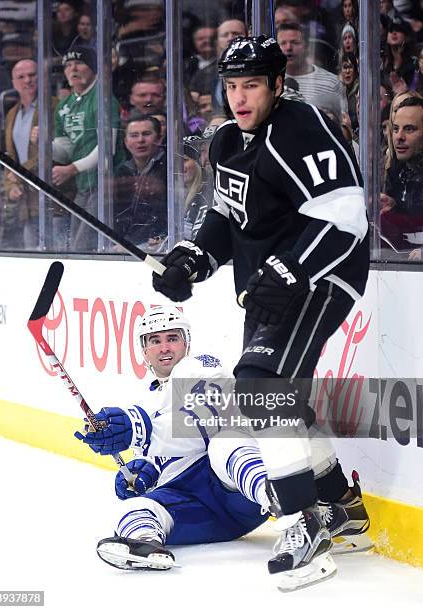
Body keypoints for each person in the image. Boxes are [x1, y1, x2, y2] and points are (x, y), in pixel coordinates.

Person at [151, 35, 371, 590]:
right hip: (269, 284)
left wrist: (290, 269)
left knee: (257, 388)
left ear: (277, 85)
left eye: (251, 85)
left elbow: (347, 217)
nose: (240, 97)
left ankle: (304, 522)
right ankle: (342, 506)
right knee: (278, 399)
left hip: (322, 275)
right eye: (231, 86)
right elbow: (228, 217)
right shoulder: (226, 140)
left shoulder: (303, 129)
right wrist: (194, 258)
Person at [74, 306, 269, 571]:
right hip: (195, 508)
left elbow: (207, 420)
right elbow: (158, 452)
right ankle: (147, 545)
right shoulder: (146, 400)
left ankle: (290, 507)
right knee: (132, 509)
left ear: (186, 343)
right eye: (155, 341)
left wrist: (138, 429)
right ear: (144, 351)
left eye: (172, 338)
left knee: (226, 444)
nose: (164, 348)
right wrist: (144, 470)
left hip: (233, 490)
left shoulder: (199, 367)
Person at [52, 45, 123, 251]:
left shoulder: (103, 98)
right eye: (68, 64)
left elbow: (107, 149)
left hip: (105, 183)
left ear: (93, 68)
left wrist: (71, 169)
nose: (73, 69)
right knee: (75, 243)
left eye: (80, 63)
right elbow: (65, 150)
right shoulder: (64, 105)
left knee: (84, 244)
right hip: (83, 184)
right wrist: (44, 144)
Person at [3, 59, 58, 249]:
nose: (27, 80)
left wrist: (18, 173)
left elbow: (52, 151)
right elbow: (9, 155)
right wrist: (10, 184)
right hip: (27, 201)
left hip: (52, 194)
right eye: (21, 77)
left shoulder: (53, 106)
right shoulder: (12, 113)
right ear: (13, 82)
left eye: (32, 75)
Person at [114, 115, 167, 250]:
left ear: (159, 138)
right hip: (127, 244)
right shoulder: (122, 171)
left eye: (146, 134)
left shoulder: (169, 166)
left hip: (156, 245)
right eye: (134, 135)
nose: (140, 140)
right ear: (126, 142)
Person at [381, 97, 423, 257]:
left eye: (409, 129)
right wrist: (394, 205)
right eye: (396, 128)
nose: (399, 136)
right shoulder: (396, 171)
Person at [277, 22, 348, 117]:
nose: (289, 47)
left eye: (295, 42)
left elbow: (343, 123)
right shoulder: (270, 81)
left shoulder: (331, 83)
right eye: (283, 43)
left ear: (306, 47)